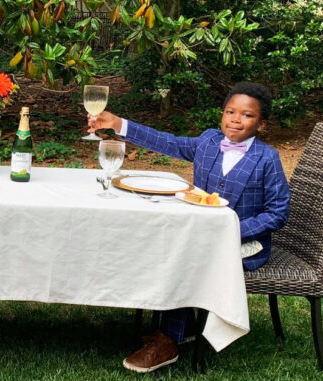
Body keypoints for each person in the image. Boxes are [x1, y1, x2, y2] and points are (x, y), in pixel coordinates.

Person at [87, 82, 291, 373]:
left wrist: (232, 229)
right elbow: (167, 142)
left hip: (245, 244)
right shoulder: (208, 142)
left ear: (262, 124)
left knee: (186, 257)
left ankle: (168, 340)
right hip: (203, 236)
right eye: (230, 111)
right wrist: (120, 124)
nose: (235, 119)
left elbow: (278, 212)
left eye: (246, 115)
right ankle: (184, 324)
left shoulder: (267, 158)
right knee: (165, 242)